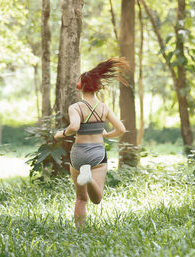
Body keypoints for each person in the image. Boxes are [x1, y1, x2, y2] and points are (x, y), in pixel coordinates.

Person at [53, 58, 127, 227]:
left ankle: (81, 232)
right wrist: (107, 135)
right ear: (97, 87)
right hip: (97, 154)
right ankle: (88, 178)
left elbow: (74, 126)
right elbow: (121, 129)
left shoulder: (76, 107)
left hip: (78, 153)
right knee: (97, 198)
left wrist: (61, 134)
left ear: (80, 86)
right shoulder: (103, 108)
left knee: (80, 198)